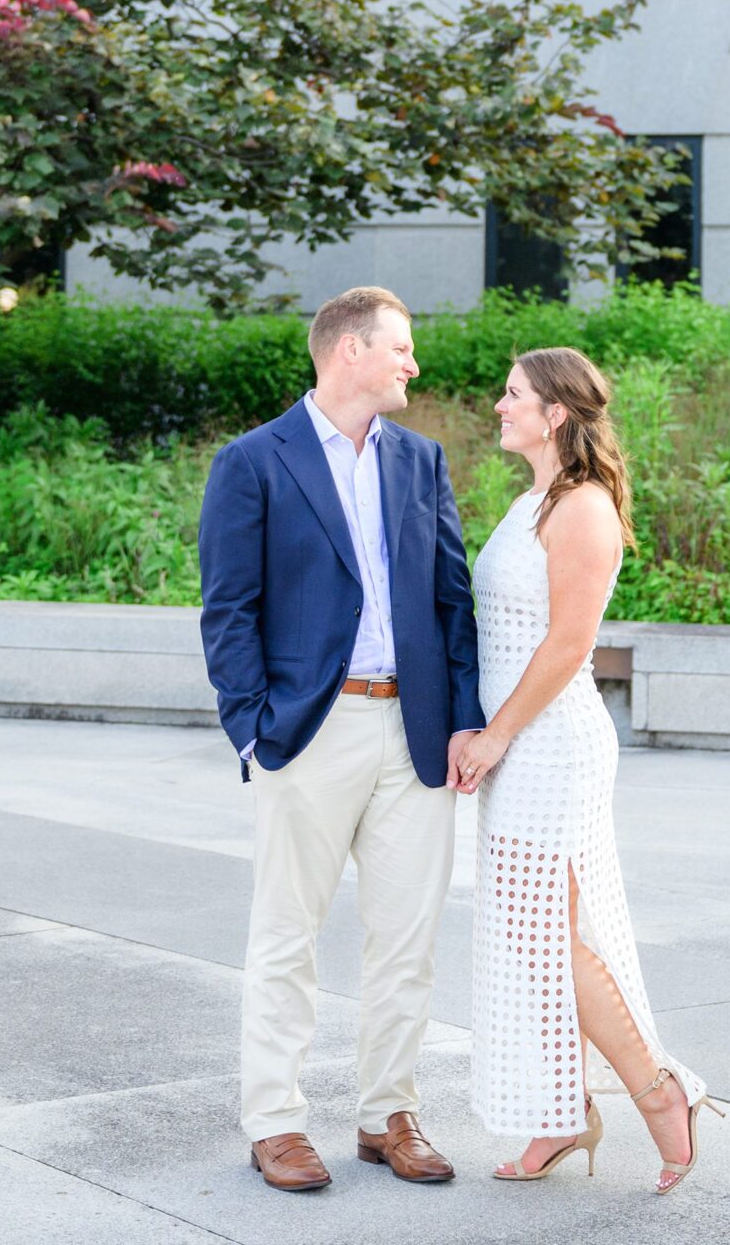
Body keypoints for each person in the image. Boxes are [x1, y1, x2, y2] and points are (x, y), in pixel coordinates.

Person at [198, 285, 485, 1194]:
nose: (412, 364)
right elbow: (227, 608)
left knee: (407, 938)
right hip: (308, 730)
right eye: (399, 348)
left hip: (416, 730)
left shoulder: (419, 461)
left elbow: (451, 600)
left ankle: (386, 1114)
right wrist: (253, 726)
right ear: (349, 350)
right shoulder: (253, 461)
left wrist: (465, 717)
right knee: (288, 935)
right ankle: (274, 1121)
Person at [455, 347, 720, 1192]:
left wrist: (494, 735)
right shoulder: (533, 499)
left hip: (547, 747)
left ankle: (658, 1093)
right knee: (531, 943)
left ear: (554, 413)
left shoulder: (581, 509)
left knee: (554, 942)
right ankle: (558, 1115)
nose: (499, 406)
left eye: (512, 395)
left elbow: (570, 644)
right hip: (517, 740)